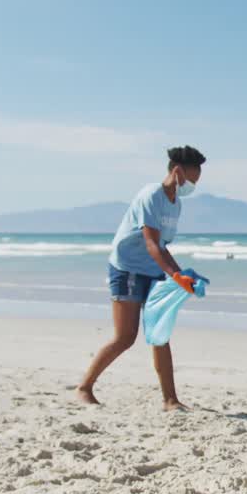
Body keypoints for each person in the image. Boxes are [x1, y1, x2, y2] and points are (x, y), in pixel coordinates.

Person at [75, 146, 207, 411]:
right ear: (178, 172)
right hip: (127, 268)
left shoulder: (176, 203)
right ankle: (84, 388)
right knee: (125, 337)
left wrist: (183, 276)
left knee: (159, 333)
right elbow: (151, 244)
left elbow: (163, 247)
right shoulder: (151, 195)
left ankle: (170, 400)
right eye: (192, 180)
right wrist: (176, 275)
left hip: (153, 268)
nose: (192, 186)